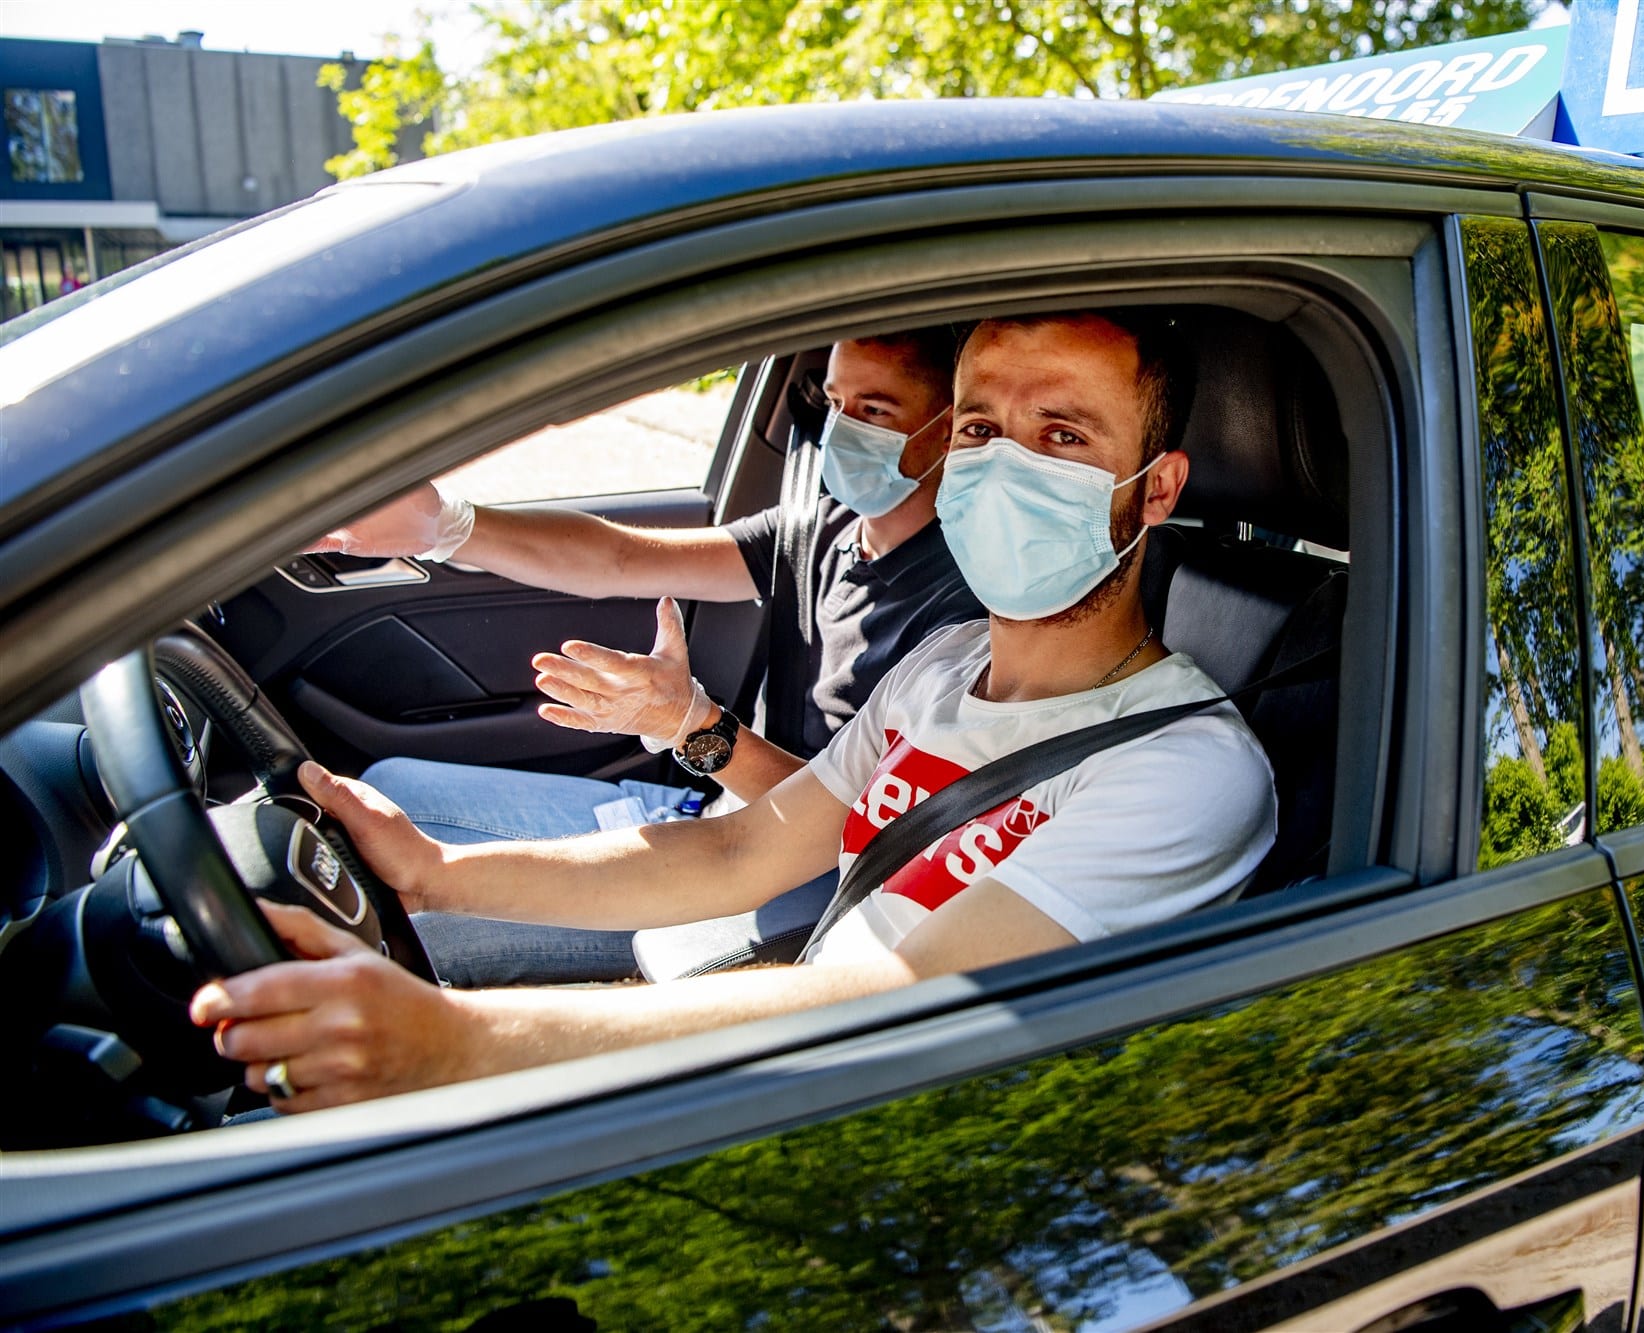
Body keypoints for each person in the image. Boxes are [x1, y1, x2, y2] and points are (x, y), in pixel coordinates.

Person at [192, 310, 1278, 1112]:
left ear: (1160, 487)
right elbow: (736, 854)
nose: (1004, 470)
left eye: (1065, 439)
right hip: (800, 1063)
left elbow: (881, 997)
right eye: (986, 429)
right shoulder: (946, 665)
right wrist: (434, 869)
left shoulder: (1182, 770)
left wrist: (461, 1044)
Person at [313, 330, 985, 984]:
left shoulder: (960, 609)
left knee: (383, 919)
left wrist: (697, 729)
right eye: (833, 402)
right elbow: (621, 556)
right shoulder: (828, 530)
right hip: (708, 814)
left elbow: (851, 818)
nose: (842, 431)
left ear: (949, 426)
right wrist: (447, 525)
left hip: (779, 876)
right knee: (393, 781)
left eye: (874, 411)